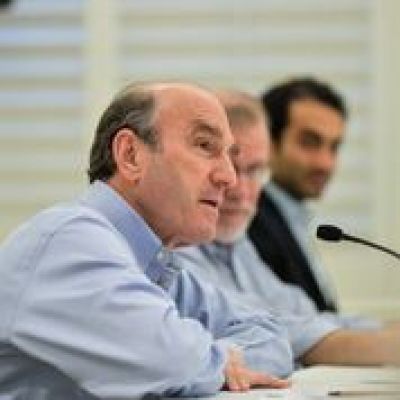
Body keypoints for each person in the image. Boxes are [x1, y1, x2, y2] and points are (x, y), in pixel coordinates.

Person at [0, 82, 293, 400]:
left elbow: (271, 336)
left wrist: (214, 359)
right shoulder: (68, 240)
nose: (229, 177)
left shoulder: (154, 260)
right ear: (130, 155)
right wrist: (220, 361)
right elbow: (172, 362)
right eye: (205, 145)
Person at [176, 89, 400, 367]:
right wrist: (385, 344)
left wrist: (384, 330)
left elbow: (301, 314)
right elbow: (283, 335)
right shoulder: (174, 243)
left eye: (256, 170)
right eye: (230, 168)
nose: (240, 190)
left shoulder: (236, 244)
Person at [248, 77, 349, 312]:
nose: (326, 163)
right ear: (268, 142)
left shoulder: (292, 215)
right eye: (310, 143)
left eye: (334, 147)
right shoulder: (251, 223)